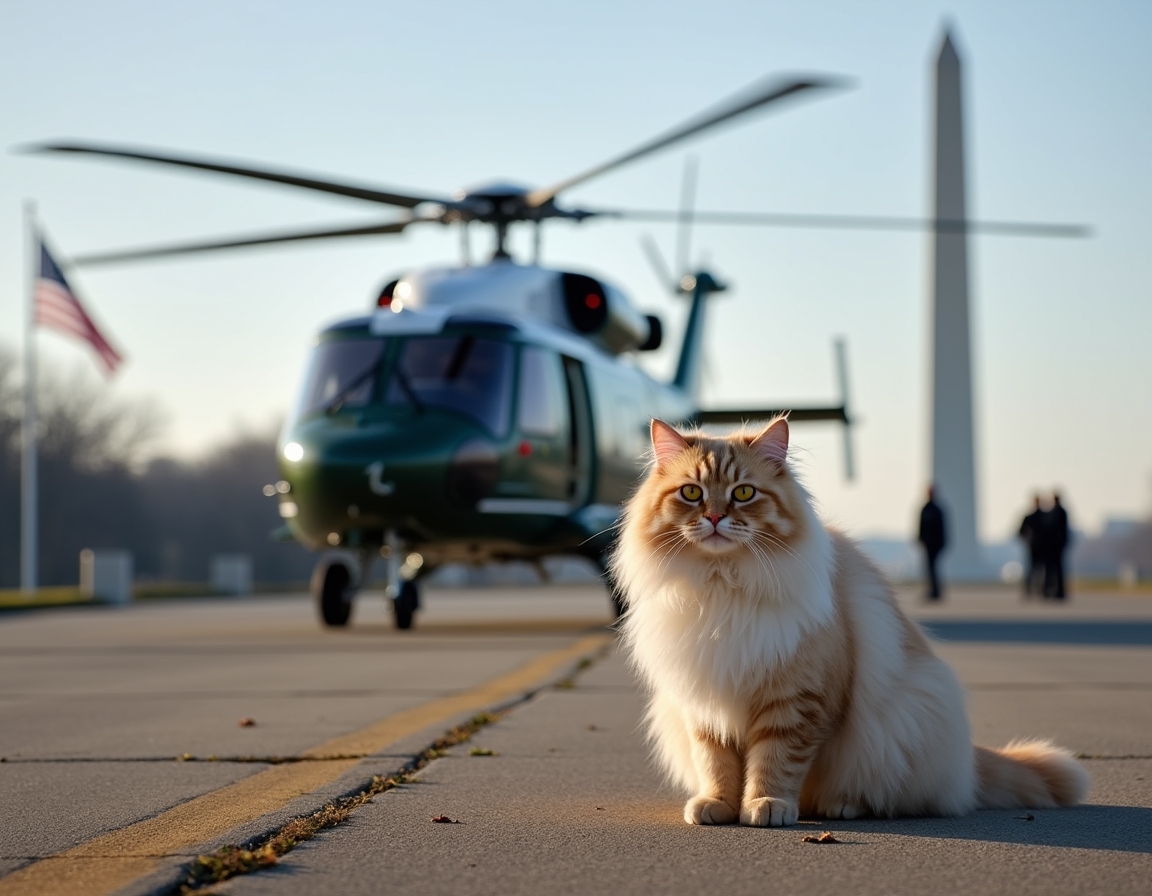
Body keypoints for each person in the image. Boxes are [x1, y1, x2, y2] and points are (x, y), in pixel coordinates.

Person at [918, 486, 948, 600]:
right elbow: (920, 527)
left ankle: (936, 592)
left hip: (936, 545)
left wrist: (942, 544)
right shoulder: (925, 509)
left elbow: (942, 529)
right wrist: (920, 539)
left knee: (934, 568)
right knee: (929, 569)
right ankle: (931, 591)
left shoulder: (937, 510)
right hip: (927, 544)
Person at [1018, 495, 1047, 597]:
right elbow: (1020, 532)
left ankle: (1035, 589)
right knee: (1036, 569)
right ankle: (1032, 590)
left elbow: (1020, 532)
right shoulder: (1041, 517)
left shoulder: (1036, 517)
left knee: (1038, 569)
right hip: (1036, 546)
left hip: (1038, 546)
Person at [1044, 492, 1071, 600]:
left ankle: (1057, 590)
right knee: (1052, 569)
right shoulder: (1058, 512)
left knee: (1056, 569)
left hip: (1056, 545)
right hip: (1054, 545)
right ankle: (1053, 590)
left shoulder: (1056, 513)